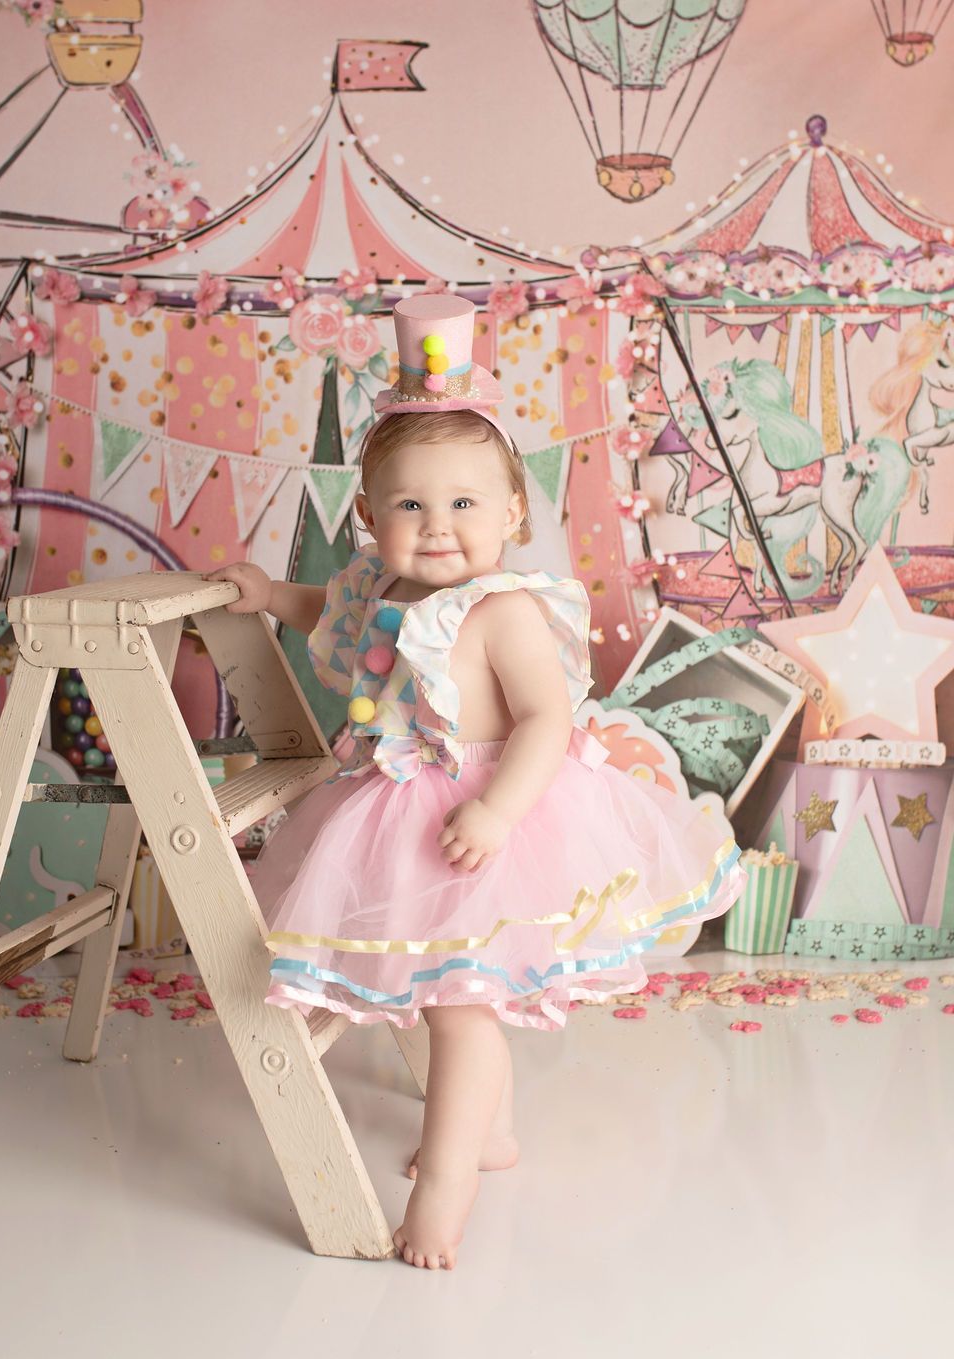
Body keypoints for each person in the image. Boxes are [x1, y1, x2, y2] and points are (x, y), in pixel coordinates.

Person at [204, 294, 746, 1270]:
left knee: (461, 1007)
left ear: (512, 512)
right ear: (368, 516)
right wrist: (269, 596)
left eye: (463, 503)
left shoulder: (503, 612)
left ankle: (445, 1193)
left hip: (490, 810)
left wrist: (499, 808)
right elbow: (325, 604)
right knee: (434, 989)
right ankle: (486, 1137)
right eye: (409, 504)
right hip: (390, 805)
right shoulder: (374, 583)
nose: (438, 525)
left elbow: (547, 718)